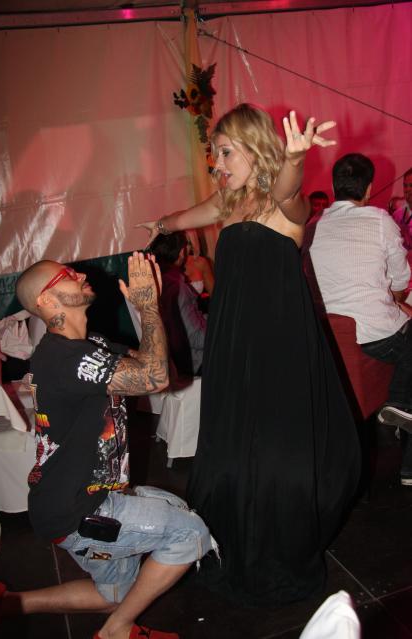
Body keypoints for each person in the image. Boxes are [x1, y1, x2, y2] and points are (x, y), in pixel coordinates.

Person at [137, 103, 360, 607]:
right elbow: (188, 215)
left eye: (225, 152)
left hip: (278, 341)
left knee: (276, 443)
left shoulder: (282, 203)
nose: (217, 163)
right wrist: (162, 223)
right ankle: (230, 538)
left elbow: (289, 190)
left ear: (255, 148)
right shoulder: (228, 201)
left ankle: (278, 543)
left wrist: (295, 158)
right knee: (233, 440)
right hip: (233, 340)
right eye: (215, 154)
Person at [0, 253, 214, 639]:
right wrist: (149, 307)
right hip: (80, 507)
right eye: (65, 274)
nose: (78, 274)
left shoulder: (90, 344)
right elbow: (156, 378)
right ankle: (116, 632)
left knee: (116, 594)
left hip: (75, 498)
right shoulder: (64, 357)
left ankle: (9, 605)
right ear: (46, 301)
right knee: (190, 534)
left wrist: (149, 310)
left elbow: (161, 371)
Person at [309, 153, 412, 486]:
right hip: (374, 339)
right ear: (368, 188)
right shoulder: (380, 220)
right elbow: (400, 280)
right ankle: (400, 405)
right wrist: (396, 300)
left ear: (334, 187)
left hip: (330, 339)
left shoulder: (314, 226)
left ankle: (401, 407)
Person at [149, 231, 207, 377]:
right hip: (196, 362)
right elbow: (195, 338)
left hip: (177, 360)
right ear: (181, 252)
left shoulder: (155, 279)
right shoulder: (176, 286)